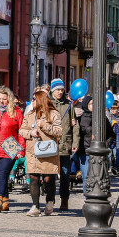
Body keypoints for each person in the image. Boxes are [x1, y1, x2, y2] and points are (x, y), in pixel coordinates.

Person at [20, 88, 62, 216]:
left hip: (48, 152)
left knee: (48, 179)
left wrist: (45, 126)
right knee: (33, 178)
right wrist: (30, 133)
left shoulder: (54, 114)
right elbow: (21, 130)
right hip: (33, 151)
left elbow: (59, 131)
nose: (31, 101)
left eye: (34, 99)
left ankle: (50, 201)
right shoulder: (29, 115)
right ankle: (35, 206)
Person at [48, 79, 80, 211]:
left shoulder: (68, 104)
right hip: (49, 144)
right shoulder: (48, 104)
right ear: (52, 90)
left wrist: (75, 142)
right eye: (57, 90)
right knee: (49, 175)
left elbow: (75, 126)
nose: (60, 92)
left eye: (62, 89)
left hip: (65, 145)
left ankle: (64, 200)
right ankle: (50, 200)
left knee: (65, 175)